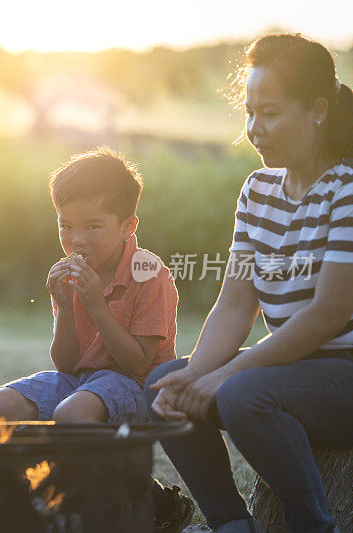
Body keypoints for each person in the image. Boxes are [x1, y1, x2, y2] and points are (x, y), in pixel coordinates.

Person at [145, 33, 353, 533]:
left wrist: (224, 379)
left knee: (243, 395)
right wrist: (197, 371)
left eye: (271, 113)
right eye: (249, 112)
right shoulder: (257, 191)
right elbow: (237, 304)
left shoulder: (346, 190)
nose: (254, 129)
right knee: (163, 384)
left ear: (318, 110)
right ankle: (232, 524)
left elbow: (327, 315)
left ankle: (312, 525)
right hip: (284, 367)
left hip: (342, 372)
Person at [0, 147, 193, 532]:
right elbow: (66, 364)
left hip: (136, 385)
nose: (76, 239)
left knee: (72, 415)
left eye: (93, 227)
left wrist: (95, 305)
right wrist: (64, 302)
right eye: (65, 226)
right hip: (82, 381)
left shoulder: (149, 275)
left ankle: (141, 500)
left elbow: (136, 363)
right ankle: (13, 504)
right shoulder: (74, 274)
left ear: (128, 225)